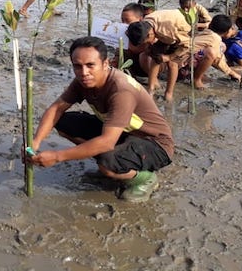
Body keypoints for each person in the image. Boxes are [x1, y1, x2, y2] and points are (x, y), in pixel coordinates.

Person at [27, 36, 174, 202]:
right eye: (78, 66)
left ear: (106, 64)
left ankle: (144, 178)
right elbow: (56, 109)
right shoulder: (82, 81)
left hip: (154, 142)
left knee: (108, 162)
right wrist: (35, 142)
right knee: (64, 122)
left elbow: (107, 142)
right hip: (123, 134)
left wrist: (57, 156)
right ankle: (114, 167)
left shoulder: (121, 90)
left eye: (90, 65)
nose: (84, 73)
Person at [126, 9, 192, 101]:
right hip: (161, 30)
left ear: (150, 35)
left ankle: (169, 93)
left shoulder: (168, 32)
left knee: (172, 64)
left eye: (147, 42)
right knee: (156, 58)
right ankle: (151, 89)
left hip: (181, 35)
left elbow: (187, 45)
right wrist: (150, 48)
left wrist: (169, 57)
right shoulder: (145, 23)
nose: (150, 43)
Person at [185, 17, 242, 89]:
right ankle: (196, 79)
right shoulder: (215, 38)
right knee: (212, 53)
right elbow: (218, 60)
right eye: (231, 29)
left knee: (222, 46)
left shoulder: (207, 32)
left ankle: (197, 73)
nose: (233, 31)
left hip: (187, 57)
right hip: (185, 63)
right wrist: (231, 73)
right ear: (226, 31)